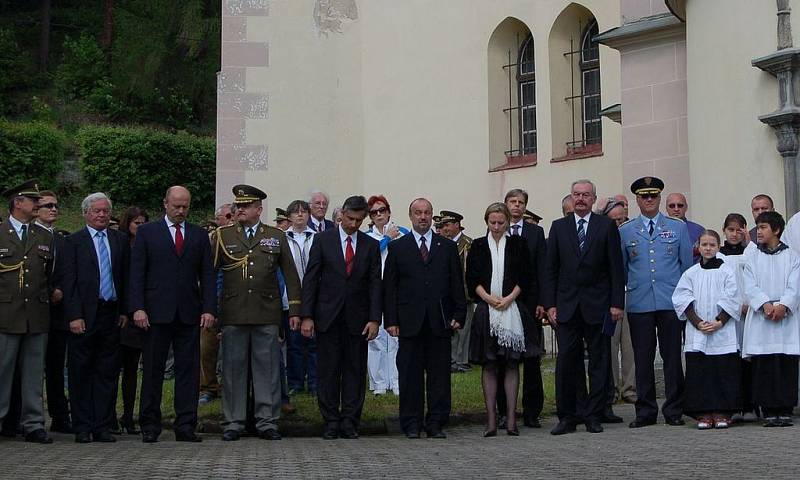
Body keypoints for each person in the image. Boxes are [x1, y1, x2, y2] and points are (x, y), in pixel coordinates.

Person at [212, 185, 301, 442]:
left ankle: (267, 421)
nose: (239, 209)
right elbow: (210, 273)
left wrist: (295, 308)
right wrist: (211, 311)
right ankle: (233, 421)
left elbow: (291, 275)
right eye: (238, 206)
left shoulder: (275, 235)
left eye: (245, 206)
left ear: (258, 210)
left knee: (268, 369)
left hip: (266, 311)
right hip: (233, 312)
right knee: (232, 370)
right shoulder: (222, 236)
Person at [130, 186, 216, 443]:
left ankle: (186, 424)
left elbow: (208, 276)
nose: (180, 211)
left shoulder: (199, 235)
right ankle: (149, 424)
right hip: (155, 313)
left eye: (185, 206)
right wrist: (138, 307)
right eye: (176, 206)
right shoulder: (147, 232)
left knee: (188, 371)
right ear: (165, 204)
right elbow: (137, 273)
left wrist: (209, 308)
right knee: (154, 370)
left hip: (189, 313)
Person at [543, 180, 625, 435]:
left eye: (586, 195)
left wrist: (616, 304)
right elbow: (550, 269)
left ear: (593, 199)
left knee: (599, 362)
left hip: (598, 305)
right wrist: (550, 305)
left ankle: (593, 414)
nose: (580, 199)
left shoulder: (606, 226)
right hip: (567, 306)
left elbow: (615, 267)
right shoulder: (558, 227)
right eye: (576, 195)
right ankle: (568, 416)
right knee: (568, 361)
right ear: (571, 197)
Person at [384, 198, 467, 439]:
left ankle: (436, 423)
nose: (423, 217)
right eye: (418, 213)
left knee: (439, 376)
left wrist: (458, 314)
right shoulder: (398, 248)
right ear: (410, 216)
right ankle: (410, 423)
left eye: (427, 213)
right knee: (410, 375)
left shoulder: (447, 247)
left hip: (439, 321)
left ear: (432, 217)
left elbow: (456, 285)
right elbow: (390, 286)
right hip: (409, 322)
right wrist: (390, 319)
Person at [300, 196, 381, 439]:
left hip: (358, 319)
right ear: (342, 214)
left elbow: (375, 284)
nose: (353, 224)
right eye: (350, 219)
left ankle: (350, 420)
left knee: (355, 372)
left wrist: (375, 318)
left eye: (359, 220)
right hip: (328, 316)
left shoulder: (370, 245)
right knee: (328, 371)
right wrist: (307, 315)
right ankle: (331, 420)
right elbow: (311, 279)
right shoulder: (323, 240)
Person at [620, 176, 692, 428]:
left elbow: (686, 267)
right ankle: (646, 411)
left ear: (660, 198)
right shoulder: (626, 230)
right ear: (637, 200)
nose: (649, 200)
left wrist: (685, 301)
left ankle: (674, 410)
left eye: (653, 196)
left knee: (672, 357)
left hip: (670, 301)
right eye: (644, 196)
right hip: (640, 302)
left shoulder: (677, 227)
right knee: (642, 359)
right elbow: (622, 268)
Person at [61, 193, 130, 443]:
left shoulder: (119, 240)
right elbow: (68, 282)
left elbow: (124, 278)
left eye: (105, 211)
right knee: (81, 371)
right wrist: (74, 315)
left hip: (110, 313)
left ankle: (102, 424)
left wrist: (124, 311)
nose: (101, 215)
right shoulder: (74, 242)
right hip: (84, 315)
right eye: (96, 211)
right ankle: (82, 425)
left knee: (107, 371)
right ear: (86, 213)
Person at [466, 202, 538, 436]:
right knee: (489, 364)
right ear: (486, 222)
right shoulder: (477, 245)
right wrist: (488, 298)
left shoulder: (518, 244)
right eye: (492, 223)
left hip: (512, 307)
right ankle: (490, 420)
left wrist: (509, 299)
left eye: (500, 222)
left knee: (511, 363)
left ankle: (511, 419)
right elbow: (472, 279)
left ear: (507, 222)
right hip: (487, 309)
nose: (496, 227)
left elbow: (525, 276)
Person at [0, 180, 54, 444]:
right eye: (32, 200)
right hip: (6, 315)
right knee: (2, 371)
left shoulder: (43, 236)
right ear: (17, 202)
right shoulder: (0, 233)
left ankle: (33, 423)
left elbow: (49, 275)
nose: (37, 204)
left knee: (34, 374)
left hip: (36, 314)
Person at [672, 230, 742, 429]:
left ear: (718, 247)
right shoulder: (691, 273)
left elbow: (733, 299)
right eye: (704, 245)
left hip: (722, 330)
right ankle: (703, 414)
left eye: (712, 245)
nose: (708, 248)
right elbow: (681, 298)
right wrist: (697, 322)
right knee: (701, 373)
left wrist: (720, 321)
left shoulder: (726, 271)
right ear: (698, 247)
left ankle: (722, 412)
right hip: (699, 330)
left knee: (722, 372)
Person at [741, 211, 800, 427]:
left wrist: (784, 305)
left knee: (784, 363)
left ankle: (785, 409)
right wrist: (764, 304)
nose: (759, 231)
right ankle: (768, 410)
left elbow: (795, 284)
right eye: (758, 227)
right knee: (764, 364)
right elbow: (750, 284)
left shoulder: (792, 257)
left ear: (776, 230)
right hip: (762, 316)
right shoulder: (753, 256)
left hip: (785, 316)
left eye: (764, 227)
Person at [499, 189, 547, 428]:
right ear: (505, 204)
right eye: (512, 202)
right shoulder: (496, 228)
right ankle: (502, 410)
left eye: (521, 202)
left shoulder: (536, 233)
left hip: (529, 304)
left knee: (531, 358)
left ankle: (532, 411)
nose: (516, 206)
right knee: (502, 358)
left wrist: (542, 302)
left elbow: (542, 270)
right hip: (501, 303)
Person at [36, 190, 73, 434]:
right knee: (31, 368)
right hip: (36, 310)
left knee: (57, 366)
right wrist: (50, 290)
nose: (53, 209)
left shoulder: (61, 239)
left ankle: (60, 416)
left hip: (59, 313)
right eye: (48, 205)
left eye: (56, 205)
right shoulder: (30, 235)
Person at [365, 195, 408, 396]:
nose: (379, 215)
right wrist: (387, 238)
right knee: (376, 339)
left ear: (389, 211)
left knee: (398, 338)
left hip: (398, 292)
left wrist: (392, 236)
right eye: (374, 212)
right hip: (374, 292)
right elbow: (370, 256)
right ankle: (379, 383)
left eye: (382, 210)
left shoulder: (404, 233)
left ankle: (398, 381)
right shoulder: (367, 237)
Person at [719, 213, 757, 421]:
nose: (734, 234)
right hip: (730, 316)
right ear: (724, 230)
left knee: (749, 360)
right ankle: (733, 406)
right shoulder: (719, 256)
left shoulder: (751, 252)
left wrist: (750, 304)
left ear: (744, 230)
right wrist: (733, 306)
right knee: (731, 360)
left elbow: (756, 279)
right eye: (730, 230)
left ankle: (750, 406)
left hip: (749, 313)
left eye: (738, 230)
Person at [598, 198, 636, 406]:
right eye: (614, 220)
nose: (619, 224)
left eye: (622, 219)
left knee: (630, 344)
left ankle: (630, 388)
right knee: (610, 345)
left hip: (630, 292)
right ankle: (611, 389)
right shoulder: (601, 234)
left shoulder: (631, 234)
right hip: (609, 296)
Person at [116, 206, 148, 433]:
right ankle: (109, 415)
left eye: (144, 223)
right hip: (121, 314)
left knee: (131, 369)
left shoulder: (147, 245)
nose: (140, 227)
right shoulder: (120, 245)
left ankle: (128, 415)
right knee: (112, 367)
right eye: (137, 223)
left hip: (140, 313)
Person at [285, 200, 318, 396]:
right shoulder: (283, 238)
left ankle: (314, 382)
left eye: (304, 212)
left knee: (314, 343)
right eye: (295, 212)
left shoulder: (316, 238)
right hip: (289, 297)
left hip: (313, 295)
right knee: (294, 342)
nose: (300, 215)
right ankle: (296, 382)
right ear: (289, 216)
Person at [439, 210, 474, 374]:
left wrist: (466, 294)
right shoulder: (442, 243)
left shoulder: (467, 244)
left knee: (464, 328)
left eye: (447, 225)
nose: (444, 228)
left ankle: (461, 360)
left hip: (463, 293)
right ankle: (451, 359)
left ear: (457, 225)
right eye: (443, 225)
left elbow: (468, 272)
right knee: (450, 327)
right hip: (445, 294)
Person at [665, 193, 705, 263]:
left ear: (686, 207)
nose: (676, 209)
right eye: (672, 206)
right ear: (666, 208)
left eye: (680, 205)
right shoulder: (658, 231)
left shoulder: (699, 231)